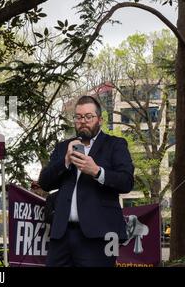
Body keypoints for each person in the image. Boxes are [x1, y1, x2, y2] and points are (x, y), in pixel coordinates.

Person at [39, 95, 134, 267]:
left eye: (88, 117)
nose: (83, 121)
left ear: (100, 120)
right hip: (62, 235)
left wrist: (97, 172)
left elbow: (126, 182)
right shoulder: (63, 147)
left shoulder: (115, 144)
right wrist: (65, 161)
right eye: (78, 117)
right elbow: (44, 182)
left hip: (100, 235)